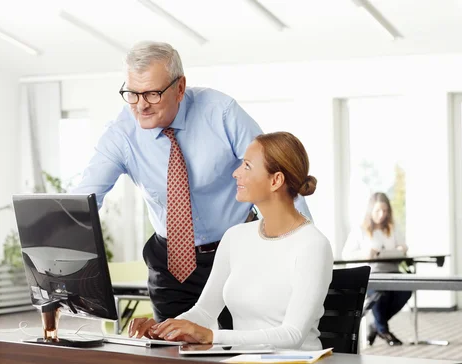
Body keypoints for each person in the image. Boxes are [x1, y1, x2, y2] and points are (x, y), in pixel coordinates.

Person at [72, 41, 310, 330]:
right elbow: (83, 202)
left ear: (180, 87)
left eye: (152, 93)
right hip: (172, 264)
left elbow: (277, 174)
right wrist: (65, 270)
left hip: (239, 254)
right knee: (175, 360)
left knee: (245, 353)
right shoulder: (121, 134)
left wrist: (304, 248)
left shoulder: (220, 112)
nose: (141, 105)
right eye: (132, 94)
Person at [129, 132, 333, 350]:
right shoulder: (235, 237)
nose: (236, 173)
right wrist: (163, 330)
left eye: (246, 166)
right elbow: (204, 312)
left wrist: (211, 336)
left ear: (276, 180)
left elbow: (293, 335)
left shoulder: (312, 245)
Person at [342, 192, 411, 346]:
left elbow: (402, 246)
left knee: (406, 290)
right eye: (378, 211)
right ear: (370, 211)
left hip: (393, 271)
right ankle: (383, 330)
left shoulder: (392, 229)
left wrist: (402, 248)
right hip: (372, 273)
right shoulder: (359, 230)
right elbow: (346, 254)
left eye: (385, 211)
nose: (382, 215)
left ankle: (376, 326)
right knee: (380, 293)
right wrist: (365, 254)